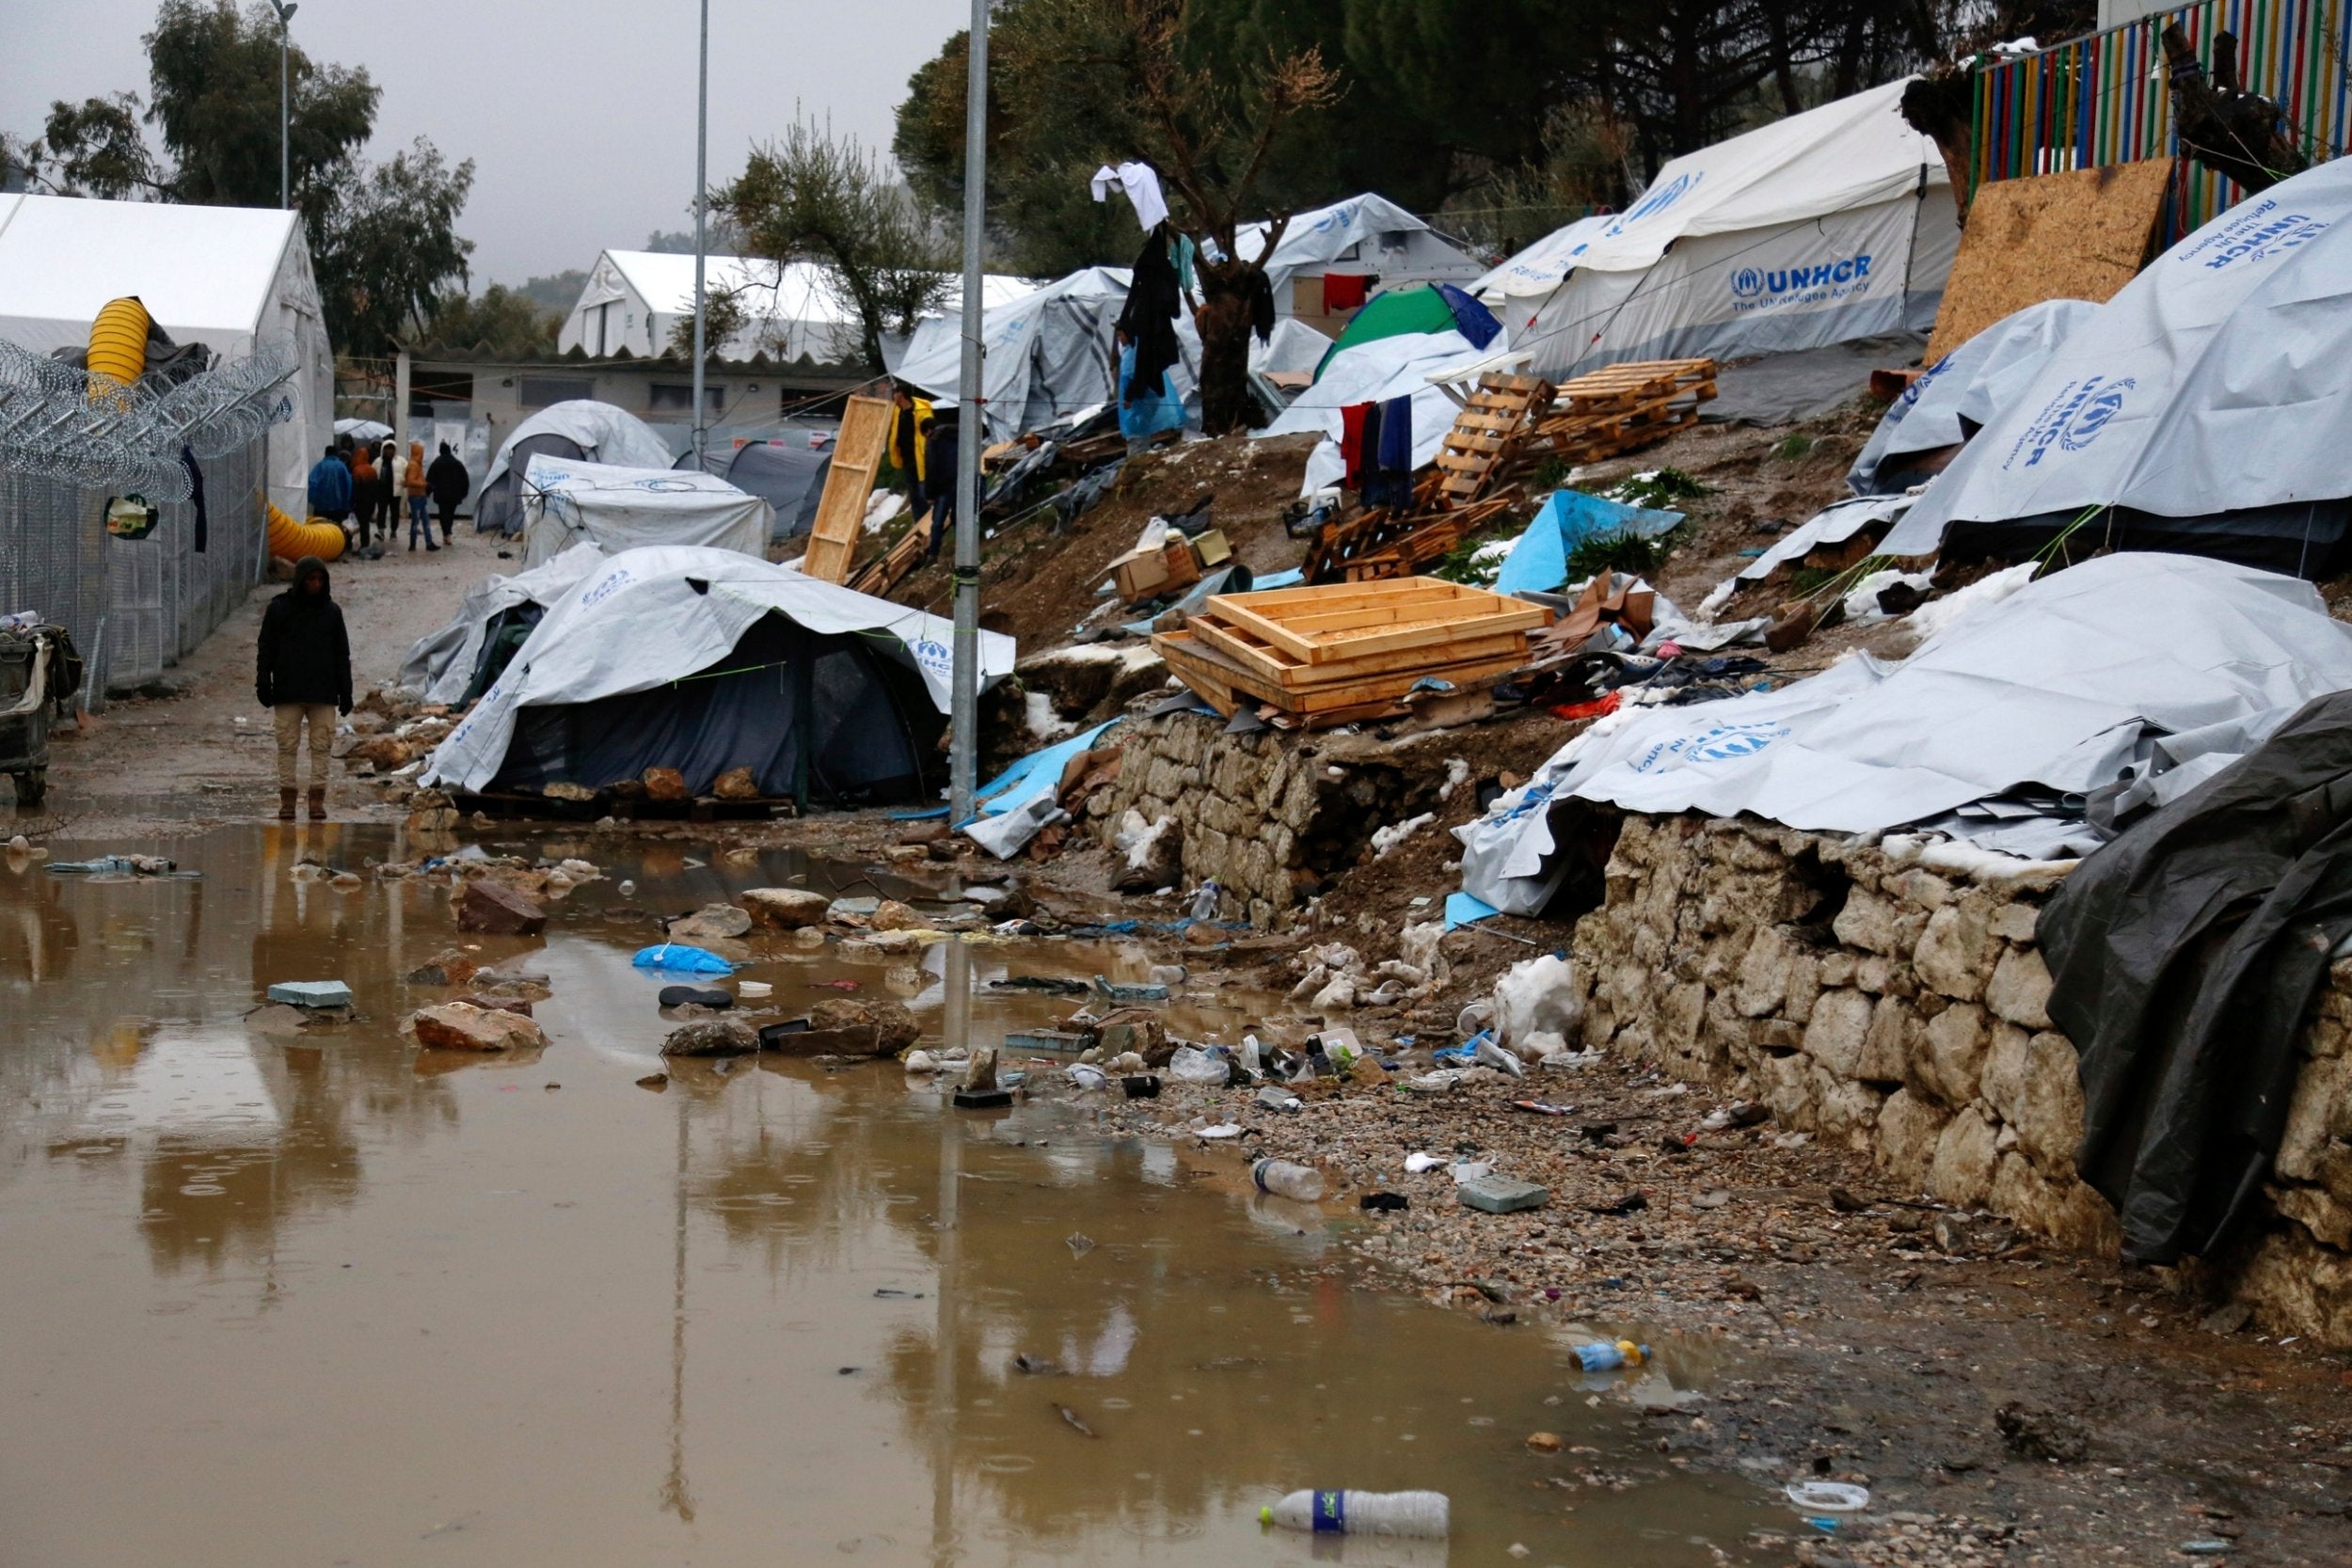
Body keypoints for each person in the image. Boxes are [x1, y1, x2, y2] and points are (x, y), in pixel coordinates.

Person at [255, 555, 352, 822]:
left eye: (320, 579)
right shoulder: (279, 609)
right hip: (288, 691)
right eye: (311, 579)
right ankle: (287, 800)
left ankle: (316, 800)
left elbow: (341, 654)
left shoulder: (332, 612)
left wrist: (346, 691)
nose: (315, 584)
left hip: (323, 692)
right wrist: (263, 681)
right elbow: (266, 649)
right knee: (287, 745)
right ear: (300, 580)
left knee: (321, 746)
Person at [888, 383, 931, 521]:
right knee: (914, 495)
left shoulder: (920, 411)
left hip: (920, 458)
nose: (893, 395)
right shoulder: (897, 411)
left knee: (923, 492)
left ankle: (926, 523)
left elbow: (928, 431)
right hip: (907, 459)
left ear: (900, 394)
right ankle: (918, 523)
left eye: (895, 392)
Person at [920, 413, 959, 564]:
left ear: (928, 430)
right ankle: (961, 552)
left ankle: (933, 554)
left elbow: (931, 469)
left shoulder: (933, 442)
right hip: (960, 483)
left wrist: (929, 494)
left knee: (937, 522)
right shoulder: (956, 435)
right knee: (958, 519)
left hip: (943, 487)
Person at [426, 441, 469, 546]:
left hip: (441, 495)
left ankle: (446, 533)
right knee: (450, 514)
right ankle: (448, 533)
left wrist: (428, 492)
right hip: (454, 494)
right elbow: (465, 479)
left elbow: (430, 479)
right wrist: (464, 492)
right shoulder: (457, 463)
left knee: (443, 514)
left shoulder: (436, 463)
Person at [307, 443, 353, 524]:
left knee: (320, 531)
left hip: (321, 507)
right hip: (338, 507)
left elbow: (312, 483)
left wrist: (313, 500)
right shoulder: (342, 467)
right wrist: (346, 505)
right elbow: (348, 485)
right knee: (336, 531)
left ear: (325, 453)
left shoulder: (320, 466)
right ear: (336, 454)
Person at [348, 440, 378, 549]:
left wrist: (352, 502)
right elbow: (376, 488)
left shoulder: (357, 470)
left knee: (353, 523)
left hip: (360, 502)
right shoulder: (372, 470)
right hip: (370, 502)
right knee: (365, 524)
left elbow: (355, 489)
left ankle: (349, 544)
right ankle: (365, 545)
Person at [404, 439, 433, 550]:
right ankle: (413, 544)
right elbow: (410, 481)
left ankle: (428, 542)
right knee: (416, 521)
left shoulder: (414, 464)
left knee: (425, 520)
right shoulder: (414, 465)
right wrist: (424, 484)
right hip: (417, 496)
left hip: (420, 495)